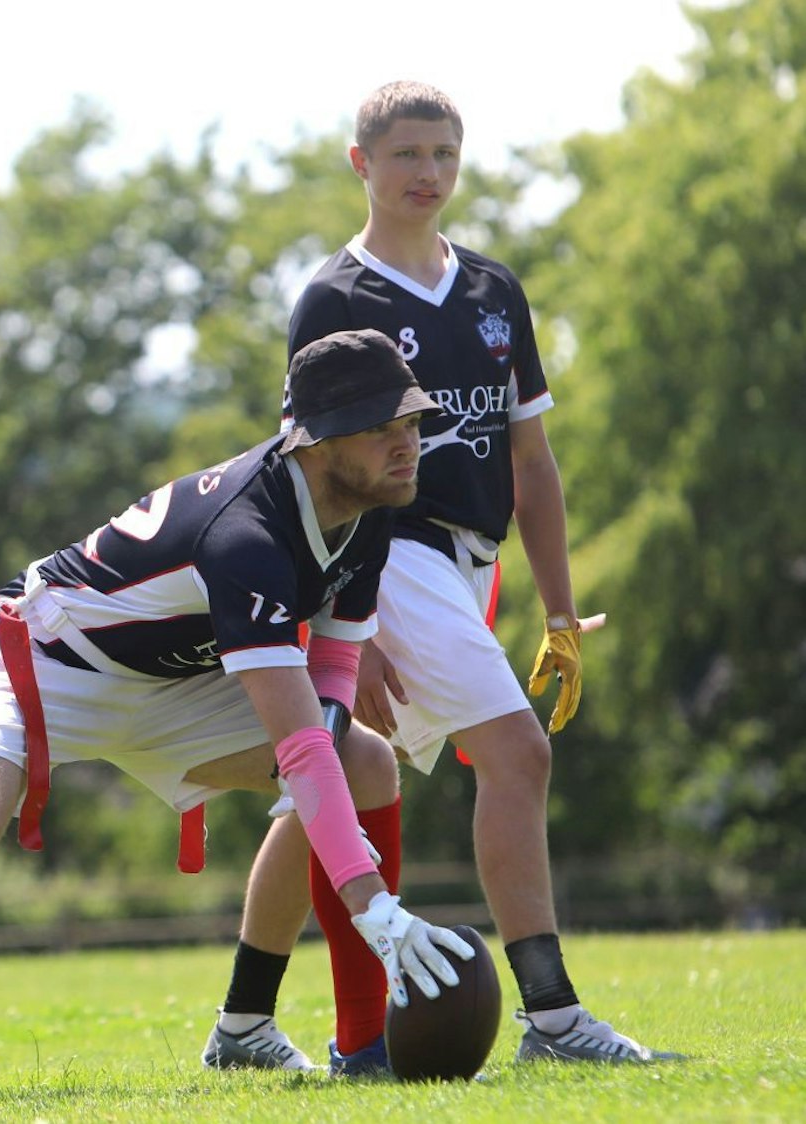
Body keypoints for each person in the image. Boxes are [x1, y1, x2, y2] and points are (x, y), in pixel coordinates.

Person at [0, 329, 478, 1114]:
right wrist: (374, 906)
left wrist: (358, 869)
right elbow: (296, 745)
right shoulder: (244, 534)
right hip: (45, 660)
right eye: (382, 426)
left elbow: (326, 687)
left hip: (171, 683)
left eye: (412, 422)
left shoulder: (370, 509)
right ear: (317, 440)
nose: (407, 444)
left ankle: (359, 1047)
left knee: (360, 762)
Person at [199, 80, 680, 1077]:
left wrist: (556, 609)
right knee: (519, 753)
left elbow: (532, 465)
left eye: (444, 155)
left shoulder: (495, 291)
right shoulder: (335, 298)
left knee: (325, 787)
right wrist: (350, 626)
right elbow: (310, 469)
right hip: (386, 555)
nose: (427, 173)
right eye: (407, 153)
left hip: (469, 570)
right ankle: (553, 1015)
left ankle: (242, 1024)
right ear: (360, 165)